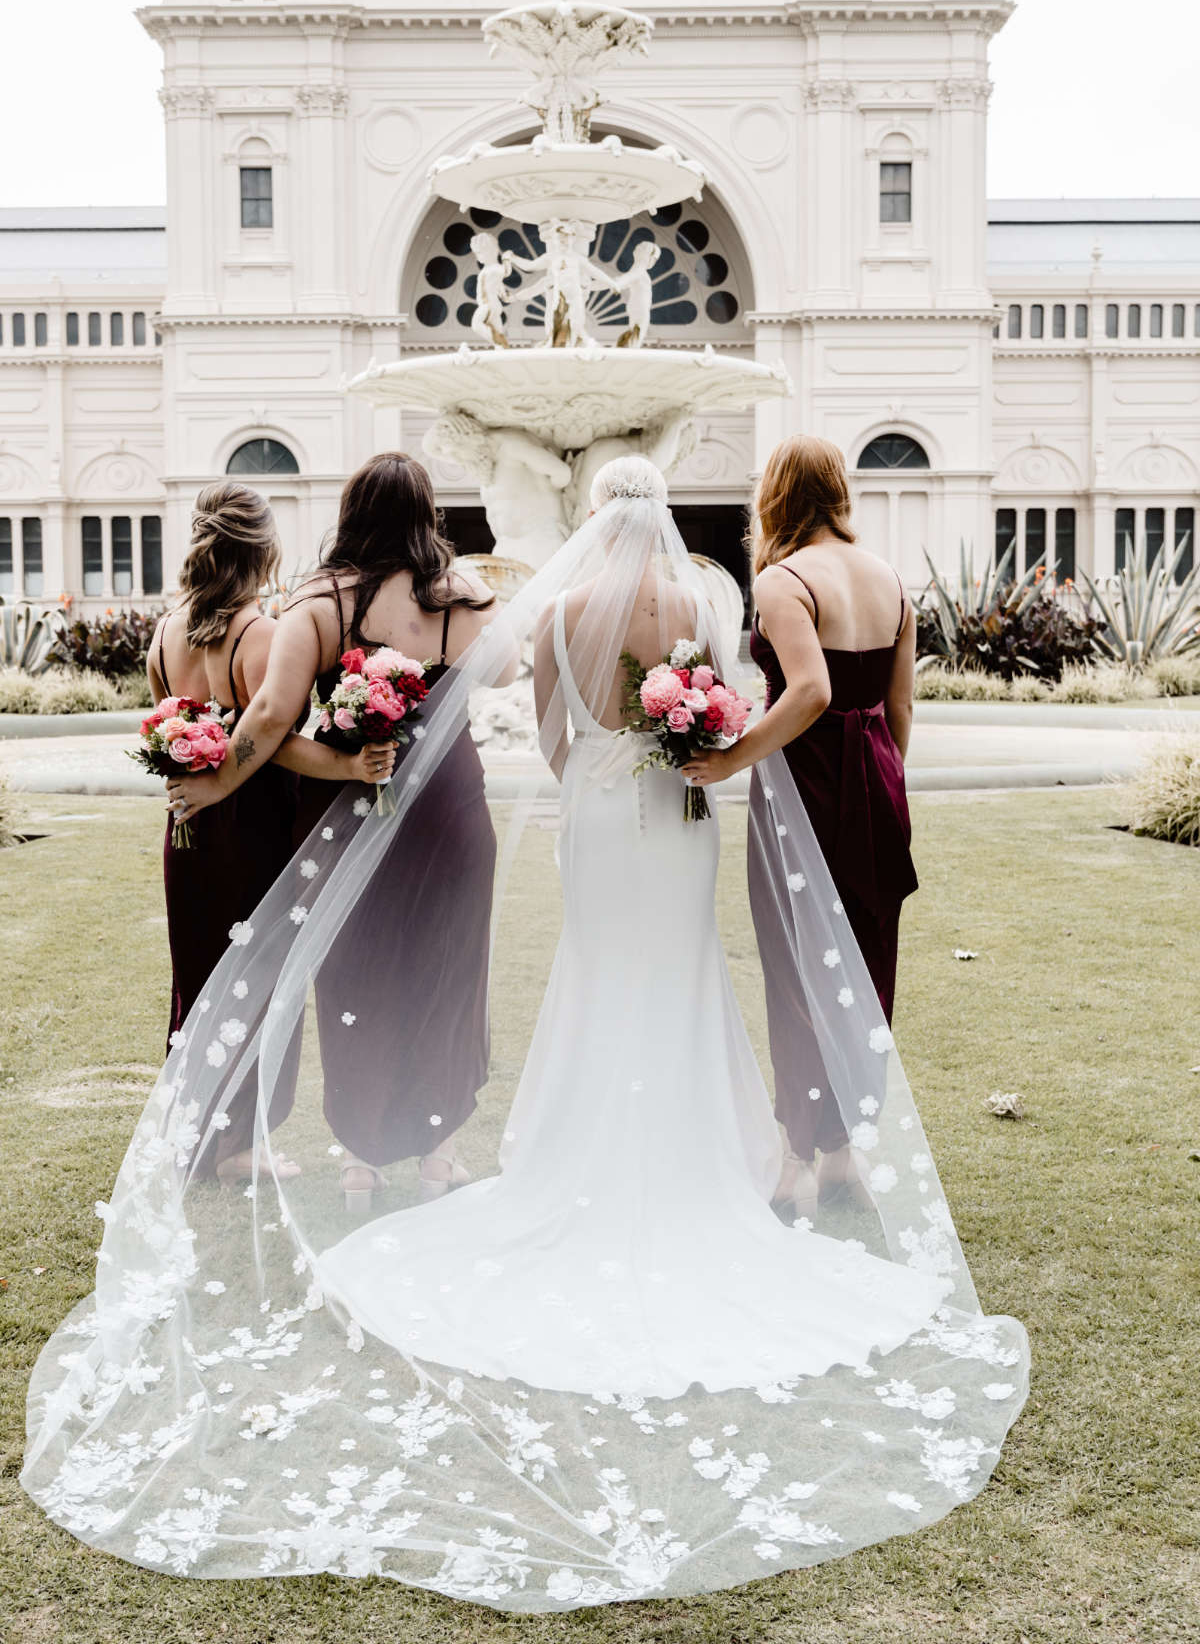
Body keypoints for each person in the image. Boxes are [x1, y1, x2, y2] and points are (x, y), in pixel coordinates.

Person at [24, 455, 1027, 1611]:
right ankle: (718, 1156)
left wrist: (599, 767)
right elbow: (740, 705)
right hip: (682, 815)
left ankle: (554, 1154)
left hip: (603, 814)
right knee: (686, 975)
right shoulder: (706, 596)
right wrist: (685, 754)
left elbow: (552, 740)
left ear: (596, 521)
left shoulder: (560, 609)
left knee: (598, 977)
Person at [167, 453, 501, 1208]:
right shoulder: (465, 599)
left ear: (350, 514)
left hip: (352, 812)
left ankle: (360, 1161)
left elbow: (271, 723)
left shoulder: (318, 603)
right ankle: (439, 1157)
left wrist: (217, 779)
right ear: (427, 517)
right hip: (452, 807)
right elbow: (508, 673)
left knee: (356, 976)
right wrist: (471, 591)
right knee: (447, 976)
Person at [682, 434, 918, 1214]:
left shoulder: (784, 580)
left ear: (777, 496)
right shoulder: (888, 577)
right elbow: (899, 708)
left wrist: (731, 758)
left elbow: (810, 691)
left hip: (808, 793)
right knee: (863, 967)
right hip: (878, 783)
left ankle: (798, 1164)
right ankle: (847, 1148)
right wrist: (884, 781)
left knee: (796, 970)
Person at [146, 482, 387, 1180]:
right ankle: (239, 1146)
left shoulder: (167, 629)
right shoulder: (258, 633)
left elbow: (173, 722)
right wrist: (349, 765)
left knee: (198, 976)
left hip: (186, 823)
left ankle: (200, 1132)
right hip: (248, 826)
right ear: (265, 548)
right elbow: (273, 737)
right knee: (256, 977)